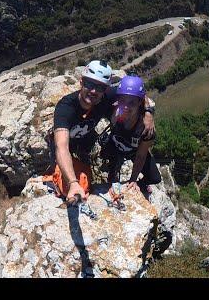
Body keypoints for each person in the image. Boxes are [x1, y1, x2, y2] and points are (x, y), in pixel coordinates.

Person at [45, 60, 156, 204]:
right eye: (89, 84)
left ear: (105, 89)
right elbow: (61, 146)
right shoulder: (66, 108)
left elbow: (136, 93)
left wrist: (148, 112)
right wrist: (72, 183)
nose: (93, 91)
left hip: (86, 140)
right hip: (66, 145)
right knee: (69, 188)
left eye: (100, 87)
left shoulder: (106, 96)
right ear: (81, 82)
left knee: (86, 182)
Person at [99, 74, 161, 198]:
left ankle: (141, 185)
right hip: (115, 146)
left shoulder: (146, 128)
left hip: (133, 151)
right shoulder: (113, 110)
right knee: (111, 173)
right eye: (123, 100)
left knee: (154, 178)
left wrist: (133, 180)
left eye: (132, 102)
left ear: (139, 102)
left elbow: (141, 155)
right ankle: (111, 168)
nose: (126, 106)